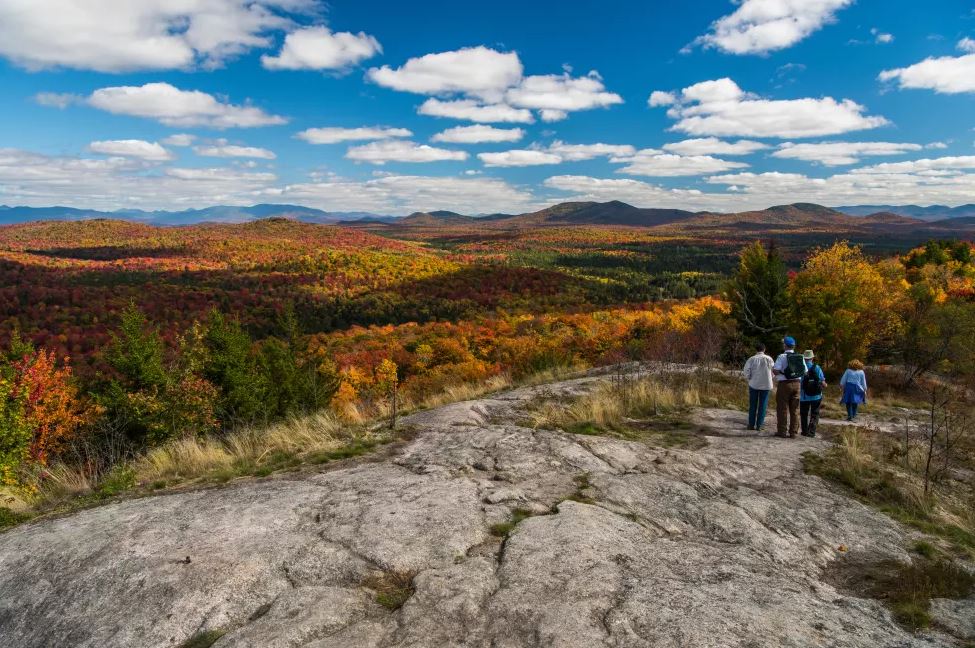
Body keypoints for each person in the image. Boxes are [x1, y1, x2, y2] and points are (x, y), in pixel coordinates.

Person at [773, 336, 805, 438]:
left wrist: (780, 373)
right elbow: (805, 371)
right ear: (794, 346)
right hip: (797, 384)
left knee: (782, 408)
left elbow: (776, 370)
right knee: (795, 409)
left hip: (784, 384)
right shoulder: (800, 356)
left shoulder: (781, 356)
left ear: (785, 345)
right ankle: (793, 432)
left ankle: (782, 431)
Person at [743, 342, 774, 431]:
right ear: (764, 349)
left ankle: (751, 425)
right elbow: (773, 371)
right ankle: (760, 425)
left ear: (756, 350)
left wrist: (749, 378)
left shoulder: (751, 359)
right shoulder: (769, 359)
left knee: (753, 405)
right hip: (766, 384)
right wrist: (770, 378)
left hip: (754, 384)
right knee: (763, 405)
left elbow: (746, 371)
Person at [799, 350, 827, 437]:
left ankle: (804, 431)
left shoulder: (800, 368)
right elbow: (822, 381)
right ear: (812, 358)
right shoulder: (817, 367)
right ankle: (811, 432)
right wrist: (825, 385)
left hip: (804, 395)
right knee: (815, 413)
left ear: (804, 358)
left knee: (804, 413)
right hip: (816, 395)